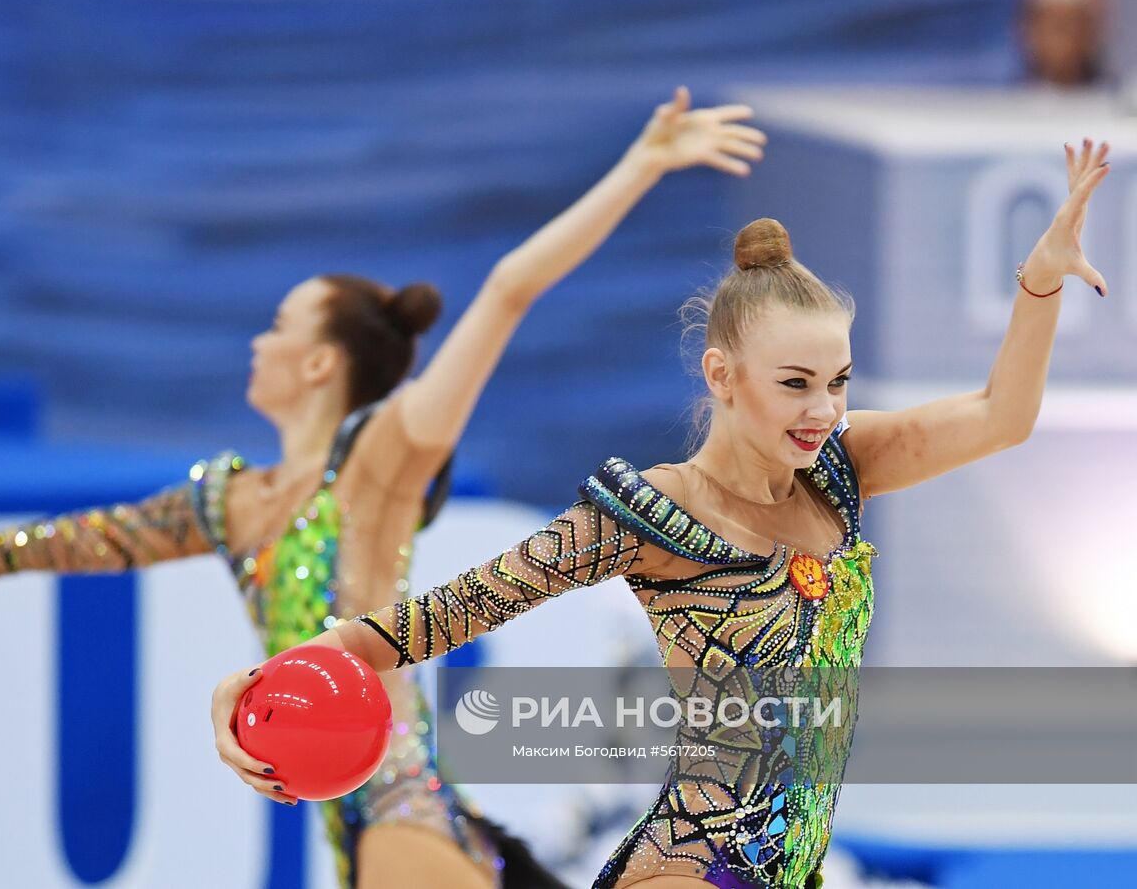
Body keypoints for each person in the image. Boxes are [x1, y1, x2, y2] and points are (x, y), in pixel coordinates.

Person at [0, 89, 769, 889]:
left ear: (323, 364)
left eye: (281, 322)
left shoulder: (377, 466)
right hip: (355, 824)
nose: (259, 338)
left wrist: (639, 164)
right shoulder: (225, 506)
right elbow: (21, 550)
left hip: (395, 810)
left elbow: (507, 286)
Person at [209, 141, 1111, 888]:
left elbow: (1004, 417)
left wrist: (1038, 284)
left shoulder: (840, 467)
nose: (821, 410)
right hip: (693, 868)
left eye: (836, 382)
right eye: (794, 384)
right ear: (722, 376)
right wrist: (251, 688)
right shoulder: (655, 511)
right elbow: (447, 612)